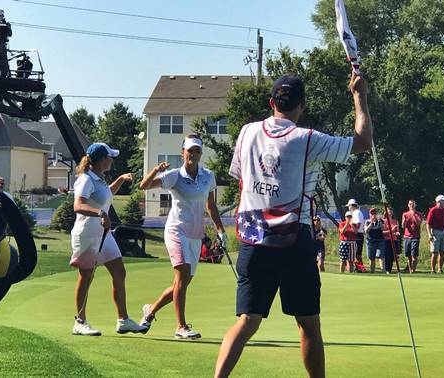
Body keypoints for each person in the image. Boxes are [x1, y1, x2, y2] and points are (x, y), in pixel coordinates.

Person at [214, 72, 371, 378]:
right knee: (308, 324)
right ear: (302, 106)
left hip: (252, 237)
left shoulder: (246, 132)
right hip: (294, 241)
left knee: (247, 320)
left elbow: (241, 180)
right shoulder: (307, 138)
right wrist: (359, 96)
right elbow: (363, 141)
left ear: (272, 102)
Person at [139, 134, 226, 340]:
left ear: (200, 154)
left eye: (197, 151)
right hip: (176, 230)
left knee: (183, 282)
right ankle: (181, 326)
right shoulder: (174, 175)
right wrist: (155, 171)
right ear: (183, 152)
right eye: (190, 150)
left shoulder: (208, 176)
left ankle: (150, 311)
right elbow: (144, 186)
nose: (193, 154)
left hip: (196, 234)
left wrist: (221, 231)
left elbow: (210, 205)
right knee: (182, 274)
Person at [70, 142, 147, 336]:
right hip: (87, 234)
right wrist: (100, 213)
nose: (111, 160)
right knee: (86, 276)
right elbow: (78, 206)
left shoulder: (99, 179)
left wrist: (121, 179)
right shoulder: (86, 179)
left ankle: (123, 320)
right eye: (109, 157)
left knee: (119, 271)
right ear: (101, 160)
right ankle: (80, 322)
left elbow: (106, 195)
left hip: (103, 233)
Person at [426, 195, 444, 274]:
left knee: (442, 251)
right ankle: (432, 269)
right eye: (443, 201)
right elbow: (428, 223)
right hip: (435, 232)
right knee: (435, 252)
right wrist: (429, 234)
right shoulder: (433, 210)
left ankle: (440, 269)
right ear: (438, 201)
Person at [401, 200, 423, 273]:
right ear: (408, 205)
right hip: (407, 236)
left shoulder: (419, 214)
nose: (411, 206)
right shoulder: (405, 214)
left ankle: (413, 270)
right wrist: (405, 221)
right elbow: (403, 226)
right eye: (410, 204)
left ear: (415, 205)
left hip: (415, 237)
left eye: (413, 204)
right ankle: (410, 270)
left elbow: (419, 223)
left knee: (414, 255)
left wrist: (414, 215)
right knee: (408, 256)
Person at [364, 207, 384, 273]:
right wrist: (371, 223)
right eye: (372, 213)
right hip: (370, 241)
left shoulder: (380, 221)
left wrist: (379, 221)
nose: (373, 215)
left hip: (379, 240)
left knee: (381, 255)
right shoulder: (367, 221)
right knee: (371, 257)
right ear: (369, 214)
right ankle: (372, 271)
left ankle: (383, 271)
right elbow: (366, 231)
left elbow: (383, 228)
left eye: (375, 213)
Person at [382, 207, 401, 273]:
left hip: (394, 240)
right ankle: (388, 270)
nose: (390, 212)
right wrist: (391, 231)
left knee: (394, 256)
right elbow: (382, 232)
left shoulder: (395, 221)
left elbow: (397, 232)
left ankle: (391, 268)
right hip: (386, 240)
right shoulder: (383, 221)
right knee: (387, 255)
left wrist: (396, 233)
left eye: (391, 211)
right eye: (389, 211)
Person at [346, 199, 364, 266]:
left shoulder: (357, 212)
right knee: (356, 254)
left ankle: (361, 268)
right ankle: (358, 268)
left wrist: (351, 224)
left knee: (357, 254)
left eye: (349, 206)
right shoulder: (356, 212)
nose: (348, 207)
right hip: (357, 234)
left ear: (351, 205)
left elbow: (357, 225)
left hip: (357, 235)